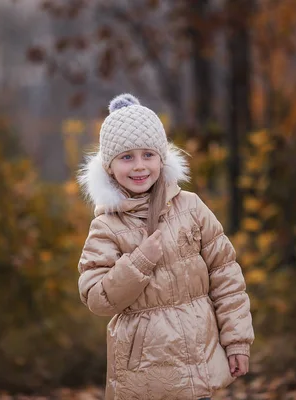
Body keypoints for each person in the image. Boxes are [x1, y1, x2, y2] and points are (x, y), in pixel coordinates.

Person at [77, 93, 254, 400]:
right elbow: (97, 297)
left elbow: (226, 277)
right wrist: (139, 264)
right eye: (127, 157)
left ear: (162, 158)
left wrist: (237, 341)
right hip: (146, 376)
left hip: (199, 362)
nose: (139, 166)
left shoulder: (191, 208)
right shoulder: (106, 227)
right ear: (109, 166)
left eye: (148, 154)